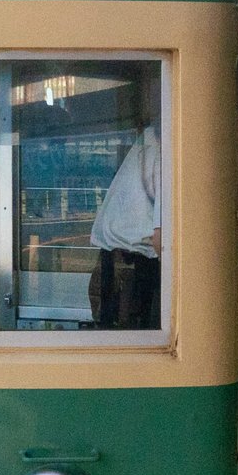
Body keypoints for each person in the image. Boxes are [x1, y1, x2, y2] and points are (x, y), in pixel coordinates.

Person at [89, 120, 161, 329]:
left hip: (115, 253)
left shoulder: (150, 138)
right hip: (134, 259)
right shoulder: (169, 146)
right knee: (139, 333)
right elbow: (161, 239)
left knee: (113, 331)